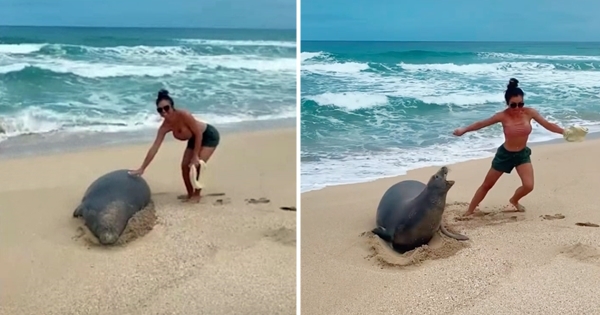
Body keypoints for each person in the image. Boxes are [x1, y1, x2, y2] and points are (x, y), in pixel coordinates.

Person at [453, 78, 564, 216]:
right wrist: (463, 130)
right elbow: (481, 124)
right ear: (507, 104)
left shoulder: (530, 113)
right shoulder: (502, 116)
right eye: (513, 105)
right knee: (487, 185)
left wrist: (565, 132)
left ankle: (514, 200)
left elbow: (548, 125)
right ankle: (469, 211)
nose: (517, 108)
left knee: (529, 186)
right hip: (505, 155)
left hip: (522, 154)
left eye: (520, 104)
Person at [129, 89, 220, 203]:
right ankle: (190, 193)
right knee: (184, 166)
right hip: (194, 139)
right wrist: (142, 168)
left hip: (207, 136)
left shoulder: (184, 115)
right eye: (160, 110)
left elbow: (198, 134)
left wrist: (195, 156)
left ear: (172, 107)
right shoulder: (165, 127)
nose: (164, 112)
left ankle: (197, 195)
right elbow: (155, 147)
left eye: (166, 108)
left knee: (196, 165)